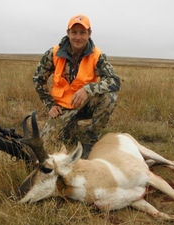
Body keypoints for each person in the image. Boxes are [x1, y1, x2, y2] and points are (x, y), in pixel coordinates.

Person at [32, 14, 121, 158]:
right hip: (62, 108)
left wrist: (88, 89)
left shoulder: (97, 55)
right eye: (74, 32)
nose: (78, 37)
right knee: (46, 146)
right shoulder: (54, 53)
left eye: (82, 32)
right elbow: (38, 79)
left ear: (89, 34)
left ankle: (89, 136)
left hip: (85, 104)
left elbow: (114, 81)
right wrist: (50, 105)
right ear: (68, 33)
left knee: (109, 97)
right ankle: (70, 127)